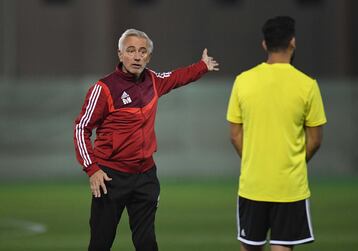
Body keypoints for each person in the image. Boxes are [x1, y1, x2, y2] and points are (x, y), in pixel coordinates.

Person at [73, 28, 219, 251]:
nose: (137, 56)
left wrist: (202, 66)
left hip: (145, 176)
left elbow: (176, 77)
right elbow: (81, 128)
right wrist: (92, 169)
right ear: (120, 54)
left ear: (148, 57)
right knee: (100, 243)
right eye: (130, 50)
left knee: (147, 242)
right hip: (111, 177)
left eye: (142, 51)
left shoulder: (153, 80)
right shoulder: (103, 89)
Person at [226, 16, 326, 251]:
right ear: (293, 42)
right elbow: (315, 139)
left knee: (250, 247)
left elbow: (234, 134)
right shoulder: (307, 85)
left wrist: (254, 160)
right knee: (282, 247)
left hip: (254, 184)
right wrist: (294, 163)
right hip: (289, 187)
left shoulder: (243, 81)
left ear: (264, 44)